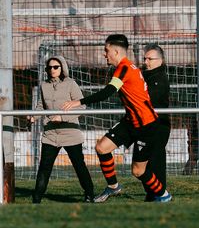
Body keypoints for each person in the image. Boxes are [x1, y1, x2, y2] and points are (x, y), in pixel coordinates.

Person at [62, 34, 172, 203]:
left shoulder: (125, 68)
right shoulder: (127, 68)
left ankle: (163, 195)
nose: (104, 54)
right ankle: (113, 187)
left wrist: (78, 102)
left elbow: (107, 93)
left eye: (106, 50)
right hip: (130, 121)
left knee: (138, 171)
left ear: (115, 51)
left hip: (146, 125)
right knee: (102, 147)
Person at [31, 55, 94, 203]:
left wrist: (62, 117)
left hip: (70, 133)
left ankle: (89, 194)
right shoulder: (43, 85)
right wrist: (33, 117)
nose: (52, 70)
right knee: (44, 167)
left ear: (62, 68)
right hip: (50, 134)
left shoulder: (71, 84)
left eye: (55, 67)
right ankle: (36, 199)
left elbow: (82, 106)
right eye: (49, 67)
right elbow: (41, 107)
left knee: (79, 166)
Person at [142, 43, 171, 198]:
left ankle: (159, 193)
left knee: (155, 161)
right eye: (145, 58)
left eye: (150, 59)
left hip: (158, 126)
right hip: (146, 125)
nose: (146, 62)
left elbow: (148, 100)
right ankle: (155, 193)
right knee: (143, 163)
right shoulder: (146, 75)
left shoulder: (160, 78)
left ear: (160, 60)